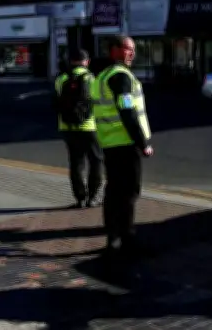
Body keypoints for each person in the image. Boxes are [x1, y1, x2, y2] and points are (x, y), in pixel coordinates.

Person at [90, 35, 154, 263]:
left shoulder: (103, 76)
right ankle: (124, 238)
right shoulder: (120, 77)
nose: (132, 53)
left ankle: (114, 238)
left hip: (110, 143)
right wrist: (142, 142)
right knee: (128, 192)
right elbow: (127, 111)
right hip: (125, 144)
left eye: (133, 49)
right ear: (114, 50)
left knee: (114, 192)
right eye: (128, 49)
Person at [54, 48, 103, 208]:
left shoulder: (61, 79)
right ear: (86, 62)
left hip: (67, 126)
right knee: (96, 161)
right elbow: (97, 101)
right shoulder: (91, 78)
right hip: (88, 126)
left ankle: (80, 198)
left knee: (76, 163)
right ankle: (93, 197)